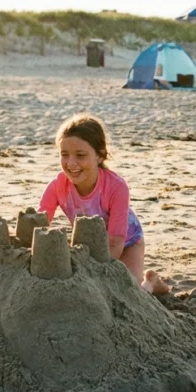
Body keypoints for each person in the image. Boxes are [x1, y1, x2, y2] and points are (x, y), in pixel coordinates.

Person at [38, 114, 168, 294]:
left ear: (100, 156)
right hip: (90, 243)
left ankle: (151, 283)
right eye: (64, 155)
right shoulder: (57, 186)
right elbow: (39, 223)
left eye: (81, 155)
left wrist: (92, 268)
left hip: (128, 242)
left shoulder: (116, 187)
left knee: (130, 291)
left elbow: (115, 242)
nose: (71, 163)